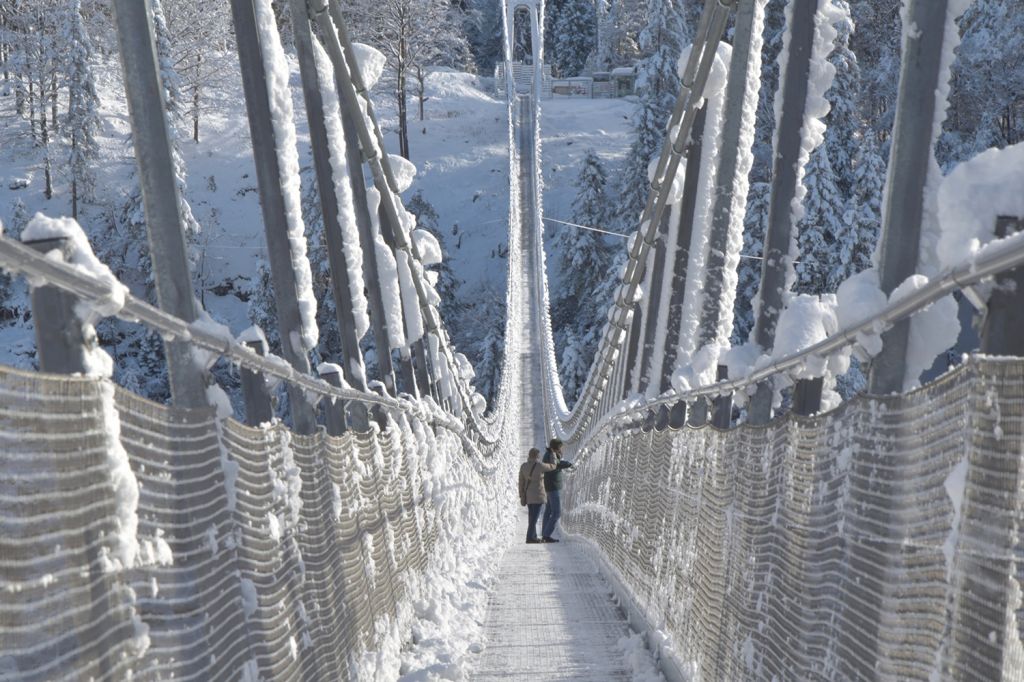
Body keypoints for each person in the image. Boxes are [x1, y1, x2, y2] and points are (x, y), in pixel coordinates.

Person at [519, 448, 558, 544]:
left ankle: (534, 536)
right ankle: (529, 537)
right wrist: (553, 454)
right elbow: (553, 466)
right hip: (538, 496)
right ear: (537, 456)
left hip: (528, 496)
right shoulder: (540, 466)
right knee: (534, 518)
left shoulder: (523, 466)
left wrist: (522, 495)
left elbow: (521, 483)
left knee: (531, 517)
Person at [541, 438, 573, 543]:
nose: (561, 450)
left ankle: (544, 533)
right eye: (560, 448)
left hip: (550, 485)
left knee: (549, 510)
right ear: (556, 448)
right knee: (557, 513)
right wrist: (568, 464)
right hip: (553, 486)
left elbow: (556, 463)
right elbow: (556, 465)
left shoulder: (549, 454)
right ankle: (546, 535)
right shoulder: (551, 455)